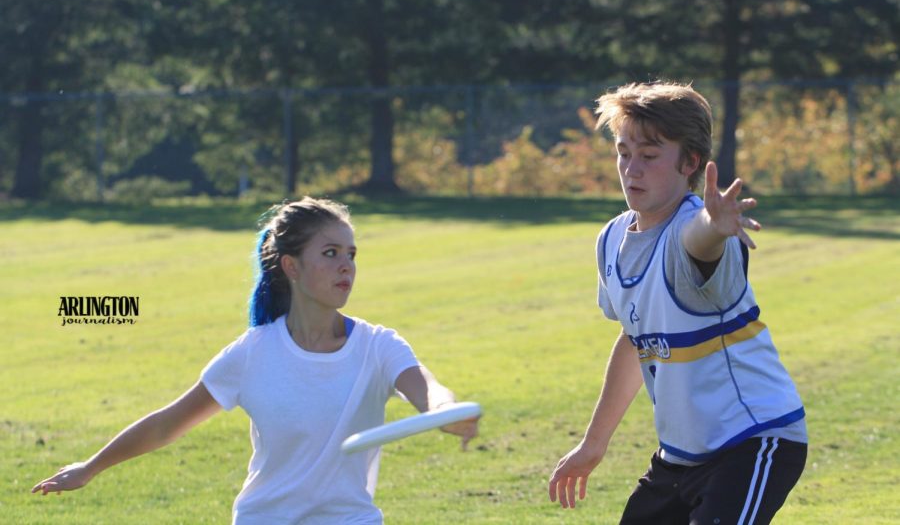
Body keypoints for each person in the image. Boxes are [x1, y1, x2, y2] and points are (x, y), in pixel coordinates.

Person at [33, 197, 478, 524]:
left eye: (351, 254)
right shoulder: (252, 353)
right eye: (330, 253)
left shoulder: (379, 345)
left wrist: (443, 410)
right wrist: (90, 468)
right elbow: (168, 423)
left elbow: (425, 386)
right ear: (291, 266)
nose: (347, 266)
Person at [548, 82, 807, 524]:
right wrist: (593, 444)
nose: (632, 169)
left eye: (649, 156)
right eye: (623, 152)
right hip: (681, 457)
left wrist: (715, 224)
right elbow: (635, 341)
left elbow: (697, 243)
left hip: (754, 440)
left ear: (690, 162)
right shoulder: (611, 239)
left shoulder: (696, 229)